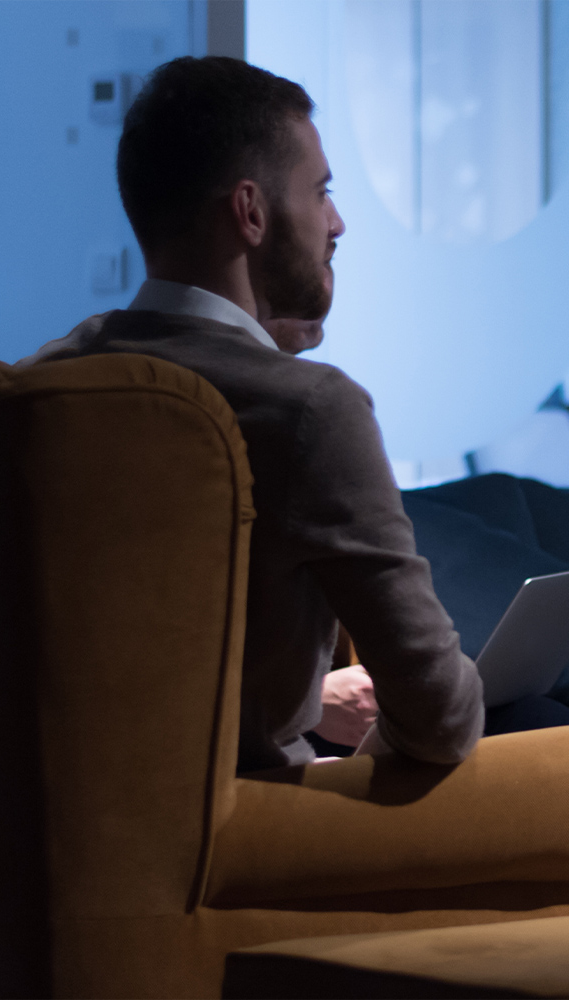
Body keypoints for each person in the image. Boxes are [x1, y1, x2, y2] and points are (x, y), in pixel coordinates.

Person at [28, 56, 481, 772]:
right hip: (252, 834)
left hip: (61, 825)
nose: (337, 223)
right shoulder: (307, 409)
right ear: (251, 211)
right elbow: (440, 718)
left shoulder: (45, 381)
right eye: (321, 192)